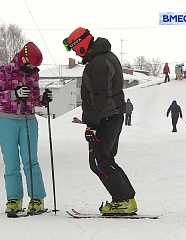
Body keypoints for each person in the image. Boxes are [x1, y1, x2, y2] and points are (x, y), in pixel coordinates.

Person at [63, 27, 137, 215]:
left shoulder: (98, 63)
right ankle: (126, 200)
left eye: (74, 48)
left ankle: (123, 201)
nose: (74, 52)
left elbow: (100, 96)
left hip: (106, 117)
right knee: (105, 160)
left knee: (98, 161)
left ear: (81, 46)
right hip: (112, 115)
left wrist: (93, 125)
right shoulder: (105, 57)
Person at [0, 42, 53, 214]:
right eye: (31, 65)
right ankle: (14, 199)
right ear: (24, 60)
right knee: (11, 162)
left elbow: (34, 97)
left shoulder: (34, 75)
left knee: (31, 160)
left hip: (28, 120)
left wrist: (43, 100)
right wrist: (14, 94)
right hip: (6, 120)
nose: (33, 69)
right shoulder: (4, 71)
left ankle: (37, 198)